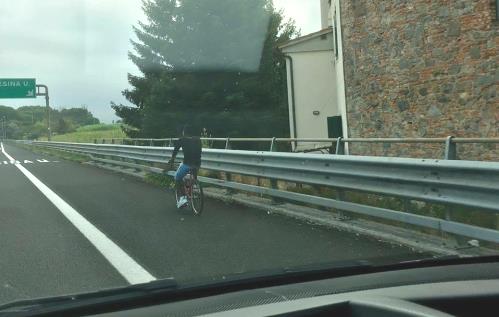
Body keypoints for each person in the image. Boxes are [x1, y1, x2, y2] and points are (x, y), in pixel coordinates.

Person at [168, 125, 202, 208]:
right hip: (197, 164)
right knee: (193, 177)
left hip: (187, 164)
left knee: (177, 177)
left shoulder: (182, 140)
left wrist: (172, 160)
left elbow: (175, 151)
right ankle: (193, 185)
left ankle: (183, 199)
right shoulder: (198, 140)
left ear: (184, 132)